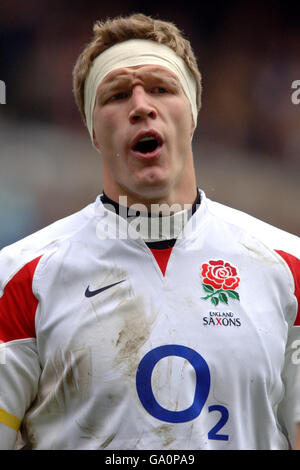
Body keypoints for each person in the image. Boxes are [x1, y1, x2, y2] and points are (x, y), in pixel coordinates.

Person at [0, 13, 299, 450]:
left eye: (161, 88)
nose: (141, 106)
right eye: (117, 95)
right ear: (94, 131)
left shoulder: (287, 268)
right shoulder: (22, 277)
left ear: (193, 114)